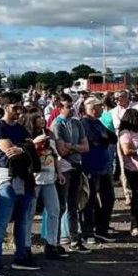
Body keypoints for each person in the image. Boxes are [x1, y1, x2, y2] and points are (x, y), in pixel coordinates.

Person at [0, 94, 41, 276]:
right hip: (7, 179)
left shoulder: (20, 128)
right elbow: (9, 150)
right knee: (1, 224)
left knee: (23, 221)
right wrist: (26, 148)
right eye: (14, 107)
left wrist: (24, 149)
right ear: (5, 107)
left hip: (24, 179)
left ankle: (20, 256)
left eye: (20, 107)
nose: (18, 111)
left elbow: (31, 150)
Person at [49, 91, 89, 253]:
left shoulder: (76, 123)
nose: (71, 109)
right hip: (64, 167)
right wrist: (75, 147)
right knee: (61, 205)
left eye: (71, 105)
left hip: (76, 166)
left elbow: (86, 147)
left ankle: (74, 238)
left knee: (74, 204)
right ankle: (56, 240)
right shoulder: (56, 125)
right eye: (67, 106)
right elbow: (61, 150)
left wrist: (71, 146)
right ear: (59, 108)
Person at [25, 112, 65, 260]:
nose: (41, 120)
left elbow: (55, 155)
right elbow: (26, 153)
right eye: (37, 117)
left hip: (50, 177)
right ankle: (25, 245)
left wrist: (59, 172)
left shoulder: (50, 134)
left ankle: (52, 244)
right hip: (35, 178)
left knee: (54, 210)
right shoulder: (29, 136)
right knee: (29, 213)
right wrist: (35, 143)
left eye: (42, 117)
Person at [79, 96, 118, 244]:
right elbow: (95, 140)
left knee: (109, 199)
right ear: (93, 108)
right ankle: (88, 231)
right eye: (100, 107)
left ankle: (102, 228)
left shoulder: (98, 122)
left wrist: (105, 137)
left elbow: (113, 138)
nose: (103, 109)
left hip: (104, 167)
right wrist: (104, 138)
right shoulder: (84, 123)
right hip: (91, 166)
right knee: (89, 201)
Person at [117, 108, 138, 236]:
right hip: (131, 169)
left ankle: (137, 224)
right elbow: (126, 150)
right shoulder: (125, 132)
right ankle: (134, 226)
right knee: (137, 198)